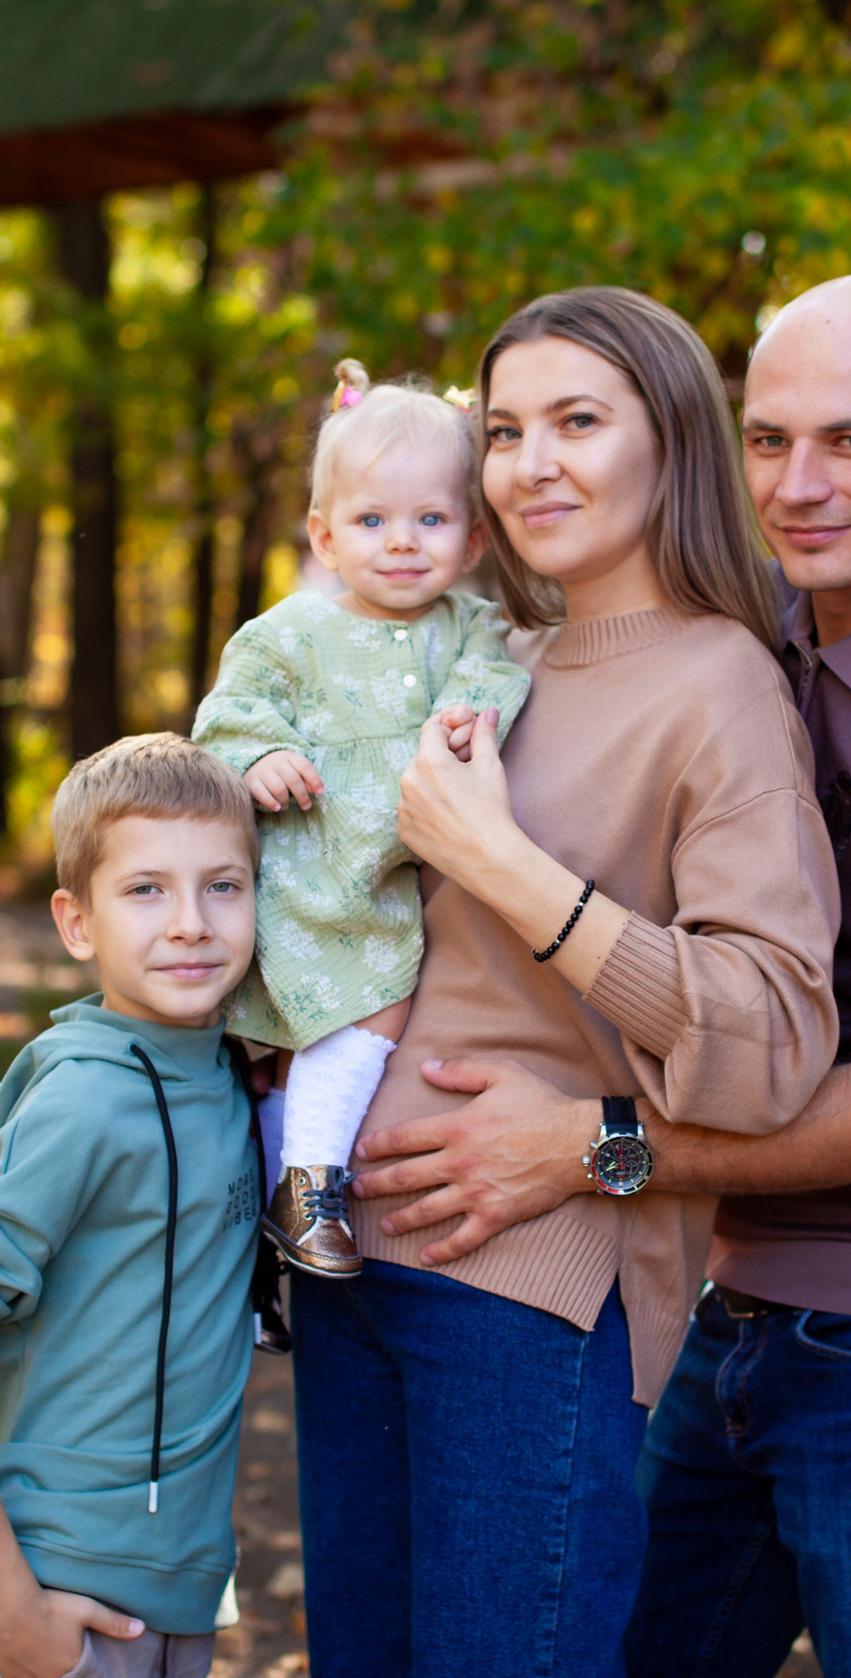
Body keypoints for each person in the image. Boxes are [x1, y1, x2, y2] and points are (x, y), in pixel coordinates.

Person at [351, 275, 851, 1678]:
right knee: (624, 1671)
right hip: (737, 1296)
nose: (801, 486)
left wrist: (593, 1147)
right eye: (769, 440)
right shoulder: (767, 632)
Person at [293, 286, 841, 1678]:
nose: (531, 461)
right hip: (355, 1263)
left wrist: (516, 872)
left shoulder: (723, 689)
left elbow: (775, 1027)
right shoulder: (483, 655)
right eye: (503, 430)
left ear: (670, 443)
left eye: (577, 422)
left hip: (524, 1288)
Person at [0, 734, 265, 1678]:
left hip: (177, 1595)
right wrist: (13, 1611)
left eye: (223, 886)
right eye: (145, 891)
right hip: (60, 1605)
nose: (190, 925)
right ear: (75, 924)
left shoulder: (226, 1068)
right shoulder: (86, 1102)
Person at [192, 359, 529, 1278]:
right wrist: (259, 757)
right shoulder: (288, 632)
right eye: (373, 520)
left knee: (335, 1038)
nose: (402, 542)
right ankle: (304, 1187)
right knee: (338, 1027)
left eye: (431, 519)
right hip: (305, 875)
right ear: (327, 536)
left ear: (470, 540)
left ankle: (271, 1225)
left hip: (382, 878)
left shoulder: (469, 626)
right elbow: (227, 714)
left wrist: (463, 716)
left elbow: (494, 679)